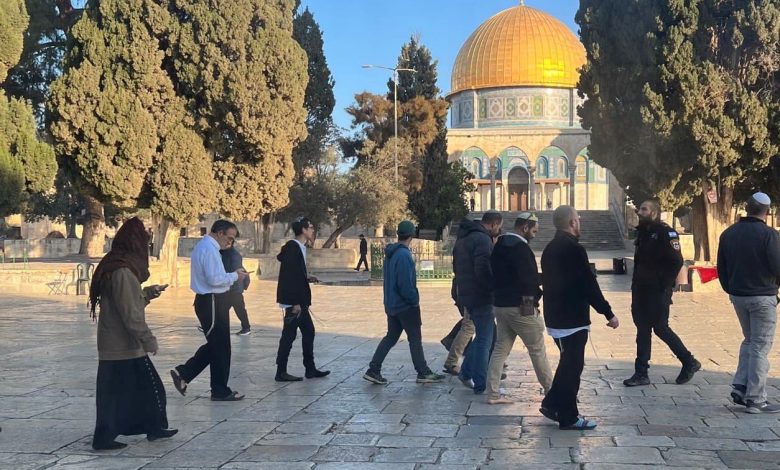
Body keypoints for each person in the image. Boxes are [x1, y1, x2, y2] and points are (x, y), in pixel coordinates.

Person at [89, 217, 177, 450]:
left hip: (116, 343)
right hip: (122, 345)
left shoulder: (117, 266)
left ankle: (150, 427)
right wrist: (148, 339)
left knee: (126, 393)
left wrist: (147, 293)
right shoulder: (123, 272)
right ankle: (106, 437)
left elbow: (128, 302)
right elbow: (130, 314)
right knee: (147, 389)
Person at [540, 206, 619, 430]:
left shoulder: (549, 248)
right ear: (572, 222)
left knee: (568, 364)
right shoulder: (574, 249)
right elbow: (588, 285)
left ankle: (552, 404)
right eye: (578, 219)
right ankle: (569, 417)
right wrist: (608, 312)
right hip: (571, 319)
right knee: (572, 369)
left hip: (557, 316)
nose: (579, 222)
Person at [170, 220, 248, 401]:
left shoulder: (207, 247)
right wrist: (235, 276)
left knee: (218, 345)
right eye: (229, 238)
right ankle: (217, 389)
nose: (230, 242)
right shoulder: (209, 249)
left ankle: (186, 374)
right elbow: (215, 279)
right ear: (220, 233)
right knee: (219, 346)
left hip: (213, 301)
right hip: (212, 301)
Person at [624, 200, 699, 387]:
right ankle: (641, 373)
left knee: (660, 328)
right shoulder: (643, 233)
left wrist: (664, 285)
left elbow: (676, 261)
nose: (639, 212)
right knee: (642, 329)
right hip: (641, 290)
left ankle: (688, 361)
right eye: (640, 209)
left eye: (644, 209)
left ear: (654, 213)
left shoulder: (666, 233)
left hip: (657, 291)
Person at [718, 192, 780, 413]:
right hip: (762, 296)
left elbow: (721, 268)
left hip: (739, 296)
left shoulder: (728, 234)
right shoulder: (769, 235)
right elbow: (777, 266)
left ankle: (741, 386)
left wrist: (732, 289)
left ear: (746, 207)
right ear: (767, 211)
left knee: (750, 340)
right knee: (760, 346)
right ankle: (756, 399)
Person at [363, 221, 446, 385]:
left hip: (392, 303)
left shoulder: (391, 254)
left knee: (391, 337)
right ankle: (423, 372)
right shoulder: (404, 255)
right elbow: (405, 284)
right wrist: (414, 300)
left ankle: (374, 369)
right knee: (415, 338)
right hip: (405, 305)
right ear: (412, 235)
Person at [486, 212, 553, 404]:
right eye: (534, 231)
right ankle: (552, 392)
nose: (534, 235)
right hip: (520, 307)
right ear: (525, 228)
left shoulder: (499, 245)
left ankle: (492, 394)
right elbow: (529, 281)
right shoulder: (522, 249)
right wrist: (535, 303)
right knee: (537, 349)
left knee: (500, 349)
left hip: (500, 305)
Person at [453, 210, 503, 394]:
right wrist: (492, 288)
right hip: (481, 296)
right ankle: (481, 383)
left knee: (484, 335)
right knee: (485, 340)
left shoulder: (463, 238)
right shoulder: (482, 240)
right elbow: (483, 269)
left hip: (466, 294)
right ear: (493, 224)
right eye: (498, 227)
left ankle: (466, 372)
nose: (498, 231)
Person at [275, 217, 330, 382]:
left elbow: (296, 273)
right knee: (288, 336)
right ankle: (281, 371)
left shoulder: (299, 247)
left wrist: (306, 277)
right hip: (295, 303)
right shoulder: (293, 248)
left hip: (299, 301)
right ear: (304, 230)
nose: (313, 230)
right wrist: (295, 303)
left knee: (308, 332)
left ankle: (310, 369)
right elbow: (289, 277)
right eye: (311, 227)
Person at [221, 240, 252, 336]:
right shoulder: (223, 253)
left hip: (234, 287)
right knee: (222, 309)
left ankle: (246, 328)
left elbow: (237, 271)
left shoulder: (234, 255)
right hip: (229, 286)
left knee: (239, 309)